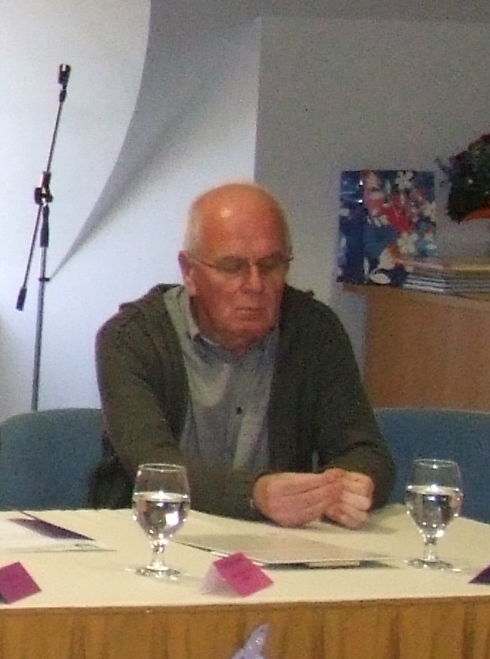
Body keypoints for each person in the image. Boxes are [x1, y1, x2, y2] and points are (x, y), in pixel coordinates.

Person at [93, 181, 394, 524]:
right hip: (148, 535)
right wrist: (254, 494)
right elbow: (154, 468)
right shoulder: (131, 340)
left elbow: (366, 451)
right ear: (189, 272)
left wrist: (353, 484)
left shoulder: (314, 332)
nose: (254, 285)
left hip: (277, 544)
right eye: (232, 267)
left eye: (270, 265)